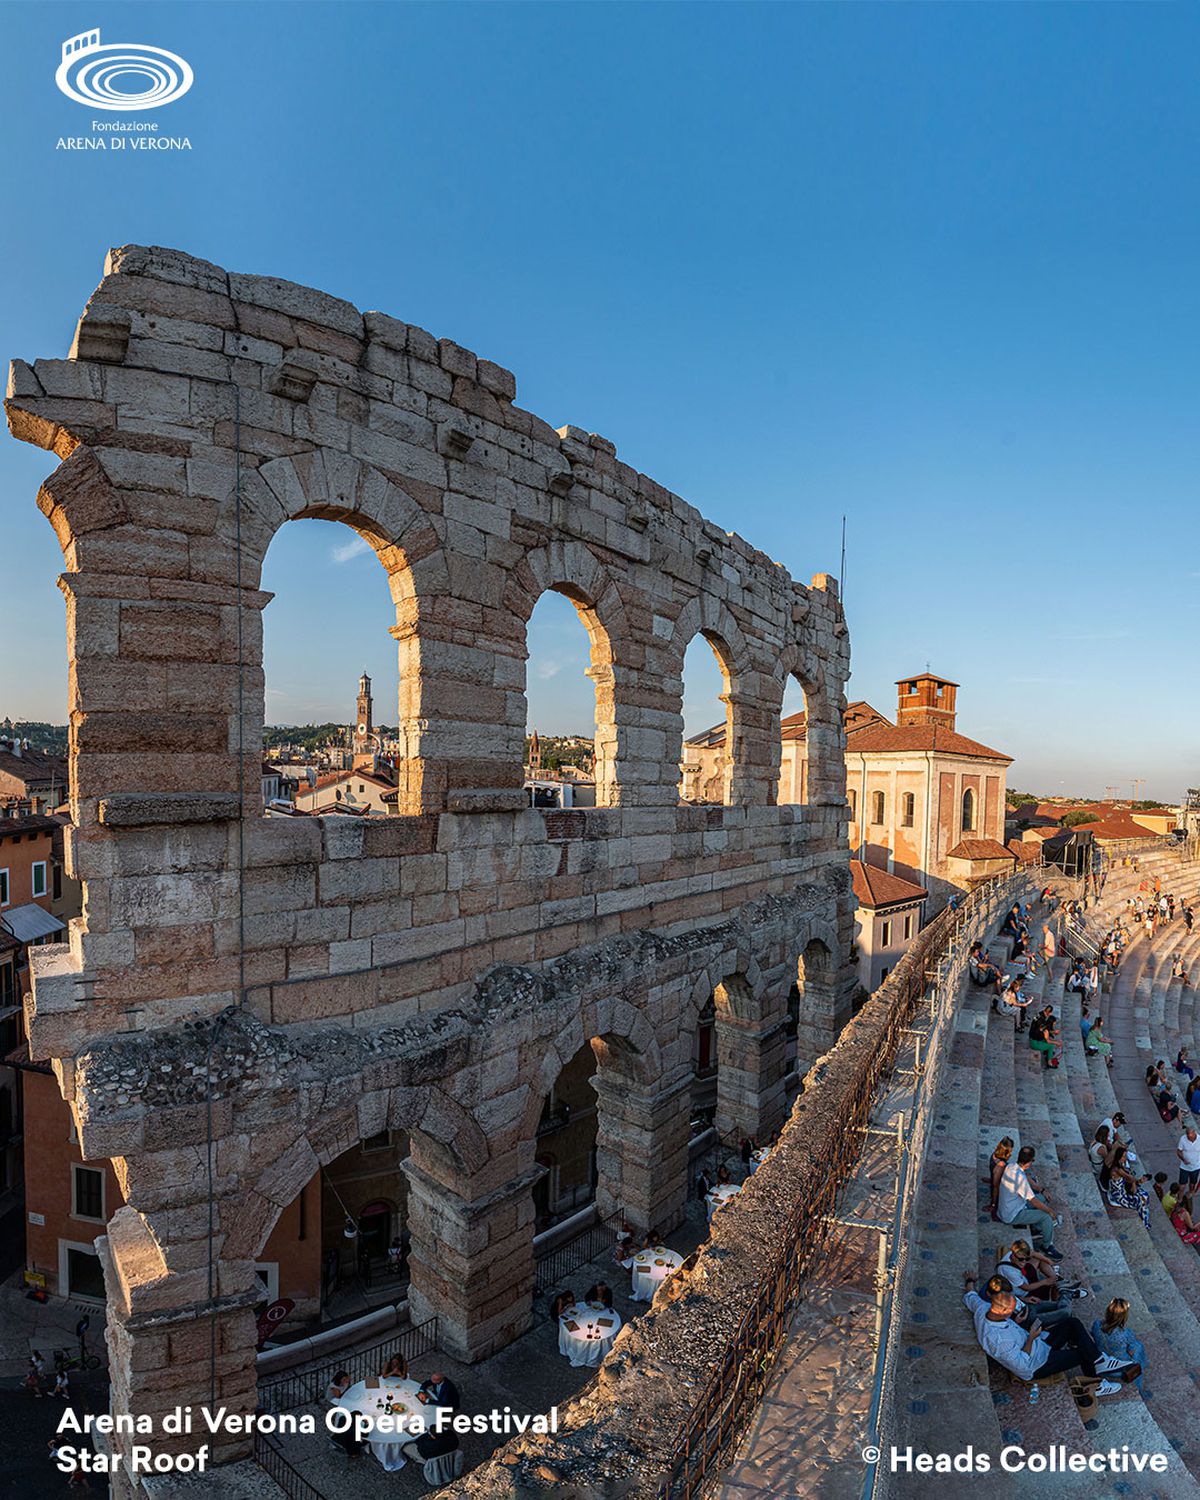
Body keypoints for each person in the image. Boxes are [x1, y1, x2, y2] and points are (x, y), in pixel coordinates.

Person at [961, 1274, 1137, 1392]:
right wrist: (1031, 1338)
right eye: (1011, 1310)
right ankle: (1096, 1385)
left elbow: (970, 1297)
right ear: (1003, 1311)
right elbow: (1022, 1365)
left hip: (1039, 1343)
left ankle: (1099, 1360)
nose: (1014, 1311)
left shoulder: (984, 1308)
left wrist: (970, 1281)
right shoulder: (998, 1340)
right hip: (1037, 1364)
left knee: (1072, 1323)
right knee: (1082, 1354)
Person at [996, 1146, 1064, 1259]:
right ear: (1029, 1162)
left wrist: (1041, 1190)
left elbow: (1027, 1177)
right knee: (1046, 1217)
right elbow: (1034, 1201)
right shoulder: (1020, 1179)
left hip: (1011, 1206)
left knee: (1043, 1198)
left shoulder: (1011, 1166)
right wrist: (1051, 1212)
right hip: (1012, 1214)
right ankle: (1047, 1247)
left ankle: (1037, 1226)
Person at [1091, 1299, 1146, 1393]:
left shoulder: (1096, 1325)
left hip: (1101, 1361)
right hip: (1119, 1370)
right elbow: (1131, 1351)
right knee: (1138, 1346)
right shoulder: (1126, 1333)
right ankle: (1137, 1372)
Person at [1099, 1145, 1152, 1228]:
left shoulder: (1119, 1165)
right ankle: (1145, 1222)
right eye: (1123, 1156)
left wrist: (1135, 1181)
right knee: (1140, 1200)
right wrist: (1135, 1182)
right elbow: (1131, 1179)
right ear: (1119, 1157)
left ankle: (1145, 1219)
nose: (1125, 1158)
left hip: (1121, 1189)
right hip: (1119, 1195)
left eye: (1125, 1156)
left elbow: (1130, 1179)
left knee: (1144, 1195)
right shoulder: (1118, 1169)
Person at [325, 1370, 362, 1457]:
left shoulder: (346, 1382)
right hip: (335, 1399)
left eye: (346, 1378)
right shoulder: (335, 1387)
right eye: (344, 1379)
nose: (346, 1380)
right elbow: (338, 1396)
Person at [989, 1138, 1015, 1219]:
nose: (1011, 1153)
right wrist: (993, 1204)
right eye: (1010, 1151)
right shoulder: (1000, 1165)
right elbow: (996, 1187)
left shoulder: (994, 1155)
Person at [1177, 1126, 1200, 1192]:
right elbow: (1179, 1151)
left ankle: (1190, 1193)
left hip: (1196, 1167)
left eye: (1190, 1135)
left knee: (1192, 1184)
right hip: (1184, 1167)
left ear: (1194, 1133)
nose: (1189, 1137)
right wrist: (1183, 1159)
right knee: (1182, 1186)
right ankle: (1180, 1197)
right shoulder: (1183, 1139)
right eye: (1187, 1135)